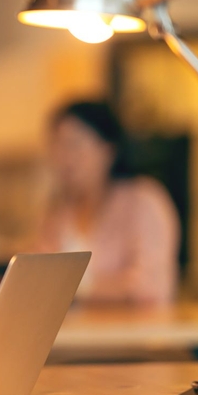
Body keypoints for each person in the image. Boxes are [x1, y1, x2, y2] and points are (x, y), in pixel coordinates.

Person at [34, 100, 180, 305]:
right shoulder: (57, 212)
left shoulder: (143, 201)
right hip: (73, 334)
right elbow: (41, 277)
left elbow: (150, 286)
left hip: (132, 334)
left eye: (74, 144)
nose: (64, 157)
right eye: (57, 145)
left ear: (108, 150)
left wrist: (76, 287)